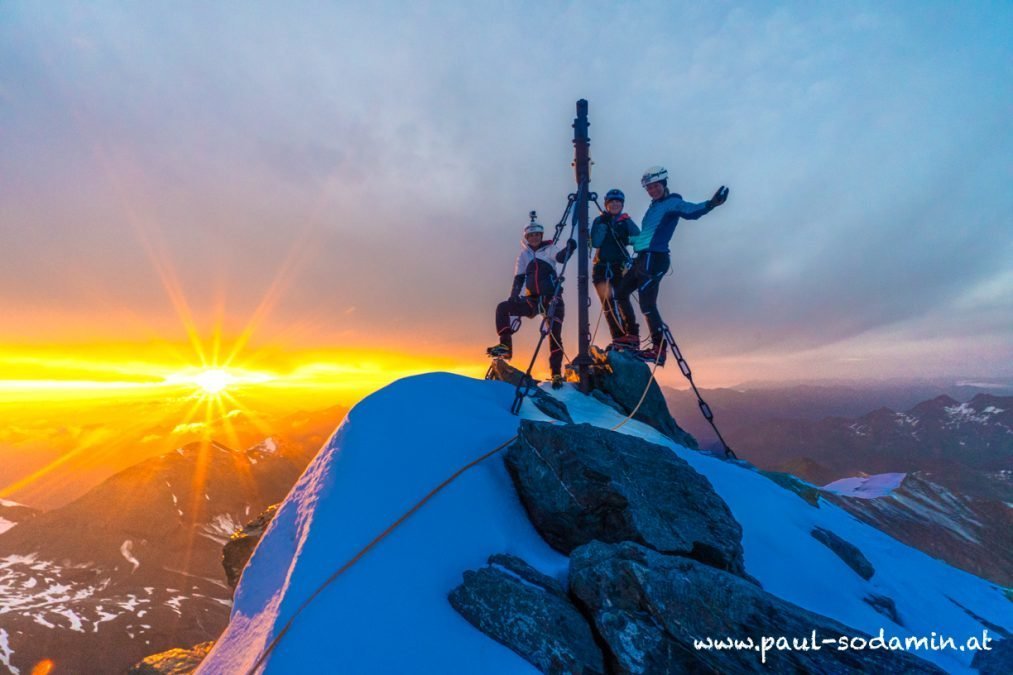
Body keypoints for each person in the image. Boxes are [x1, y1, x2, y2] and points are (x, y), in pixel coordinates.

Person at [614, 165, 729, 365]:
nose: (652, 190)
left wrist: (710, 204)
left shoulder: (672, 202)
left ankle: (658, 349)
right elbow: (645, 236)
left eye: (655, 186)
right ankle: (632, 336)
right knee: (621, 292)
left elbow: (690, 211)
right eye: (649, 188)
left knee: (647, 304)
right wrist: (626, 238)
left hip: (655, 258)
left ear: (664, 184)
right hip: (642, 258)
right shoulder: (653, 208)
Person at [487, 217, 576, 388]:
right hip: (532, 300)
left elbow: (560, 257)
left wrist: (569, 249)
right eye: (531, 235)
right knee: (503, 308)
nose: (534, 238)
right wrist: (514, 295)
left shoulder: (549, 249)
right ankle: (505, 346)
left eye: (537, 234)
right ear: (526, 238)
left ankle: (556, 373)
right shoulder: (524, 255)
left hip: (552, 298)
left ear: (541, 235)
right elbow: (519, 278)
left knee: (554, 334)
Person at [590, 188, 640, 350]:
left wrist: (625, 237)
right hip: (601, 268)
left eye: (618, 202)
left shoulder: (626, 221)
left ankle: (632, 334)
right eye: (612, 202)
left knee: (621, 298)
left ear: (622, 204)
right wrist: (605, 225)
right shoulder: (599, 221)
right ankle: (618, 338)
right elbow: (596, 242)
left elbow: (638, 239)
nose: (615, 204)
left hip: (619, 268)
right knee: (608, 303)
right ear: (606, 204)